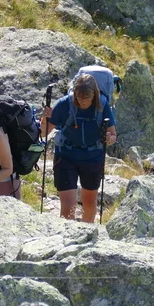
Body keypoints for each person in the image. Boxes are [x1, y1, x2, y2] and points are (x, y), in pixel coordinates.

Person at [42, 73, 117, 223]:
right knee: (68, 207)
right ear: (74, 92)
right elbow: (44, 133)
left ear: (94, 95)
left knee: (89, 203)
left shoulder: (102, 105)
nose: (82, 102)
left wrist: (109, 139)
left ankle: (87, 233)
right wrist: (45, 119)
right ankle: (67, 236)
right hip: (66, 157)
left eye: (86, 98)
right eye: (79, 98)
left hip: (93, 157)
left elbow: (113, 134)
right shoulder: (64, 104)